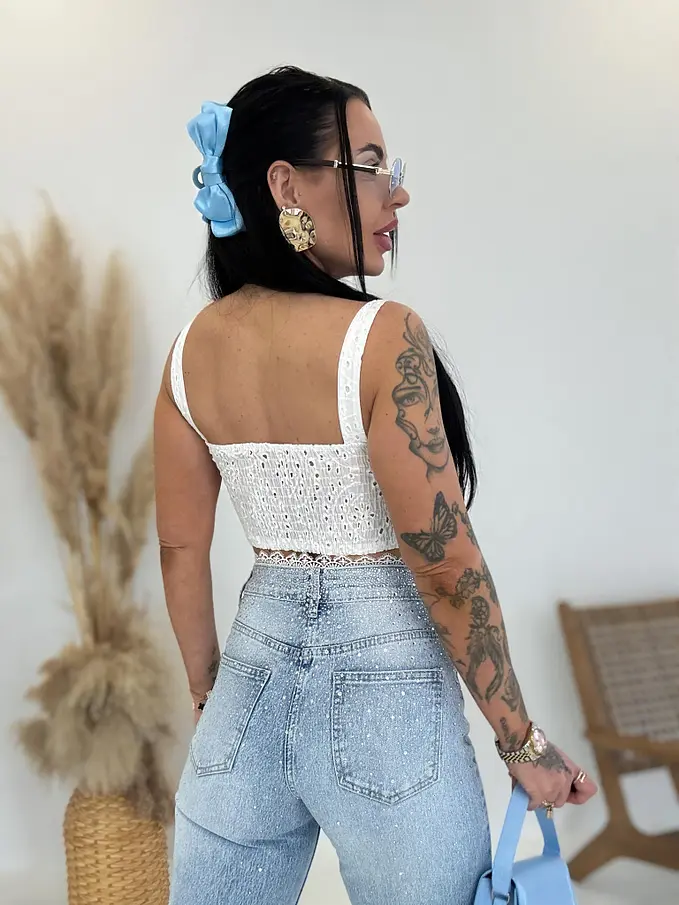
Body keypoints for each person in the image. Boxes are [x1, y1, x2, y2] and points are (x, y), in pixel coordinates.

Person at [154, 66, 597, 905]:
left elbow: (180, 548)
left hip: (244, 685)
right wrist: (520, 741)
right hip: (385, 697)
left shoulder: (190, 349)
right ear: (286, 185)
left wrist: (213, 695)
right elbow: (444, 562)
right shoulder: (382, 336)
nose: (397, 194)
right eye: (367, 166)